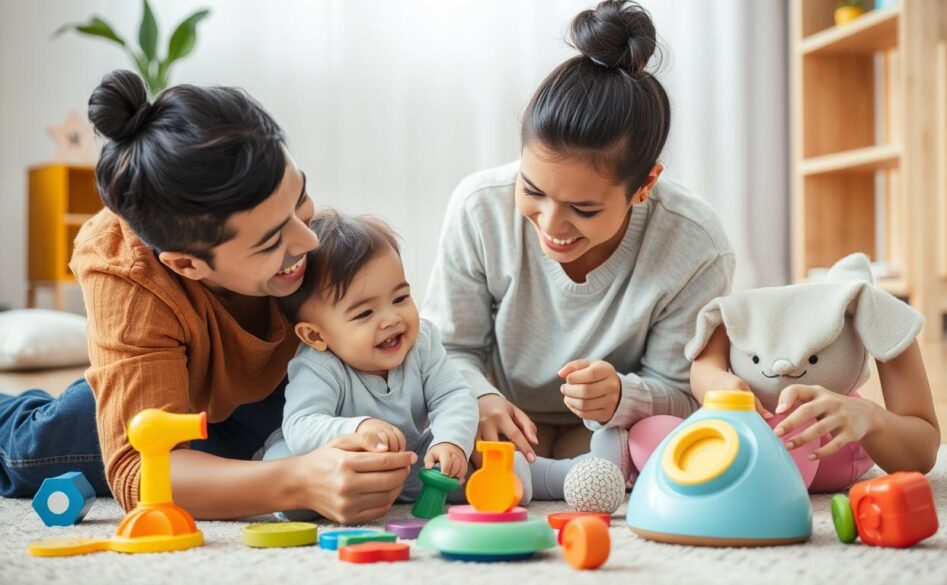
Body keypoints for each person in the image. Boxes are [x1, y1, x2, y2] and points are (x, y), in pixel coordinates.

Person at [0, 70, 414, 524]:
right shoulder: (127, 272)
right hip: (175, 400)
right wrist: (297, 480)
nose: (309, 240)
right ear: (187, 265)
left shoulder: (284, 222)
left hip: (273, 397)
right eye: (270, 242)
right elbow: (140, 471)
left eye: (300, 197)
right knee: (27, 450)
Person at [422, 0, 735, 499]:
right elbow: (450, 348)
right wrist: (479, 397)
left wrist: (622, 396)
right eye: (532, 190)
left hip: (608, 429)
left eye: (583, 209)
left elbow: (685, 392)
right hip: (500, 415)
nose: (551, 225)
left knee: (664, 450)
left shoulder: (694, 245)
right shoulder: (480, 207)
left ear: (645, 185)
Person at [261, 210, 482, 504]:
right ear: (315, 335)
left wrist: (450, 442)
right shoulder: (318, 365)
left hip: (409, 459)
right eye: (365, 313)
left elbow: (453, 395)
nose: (392, 319)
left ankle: (541, 475)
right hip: (335, 468)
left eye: (400, 298)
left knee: (479, 459)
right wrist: (358, 428)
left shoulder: (422, 342)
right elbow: (301, 425)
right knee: (283, 462)